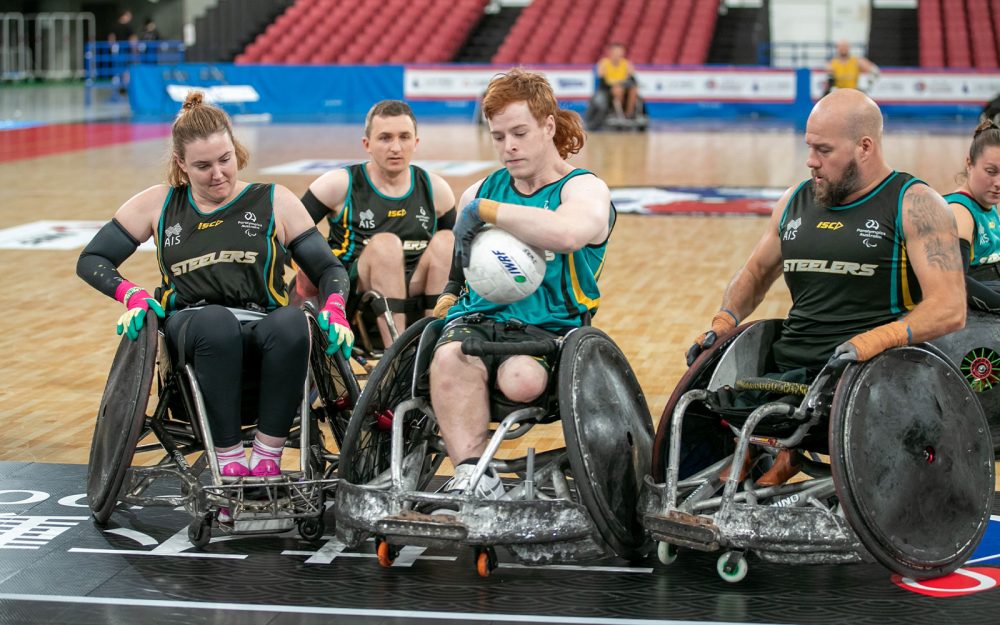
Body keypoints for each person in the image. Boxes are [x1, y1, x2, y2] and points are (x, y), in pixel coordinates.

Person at [77, 92, 354, 520]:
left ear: (237, 151)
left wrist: (334, 308)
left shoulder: (274, 200)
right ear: (181, 163)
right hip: (193, 328)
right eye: (203, 166)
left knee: (294, 322)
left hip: (262, 327)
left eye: (225, 159)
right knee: (215, 322)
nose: (218, 174)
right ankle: (228, 464)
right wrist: (131, 294)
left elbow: (330, 270)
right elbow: (92, 260)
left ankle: (264, 460)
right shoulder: (158, 203)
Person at [686, 88, 965, 486]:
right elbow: (754, 274)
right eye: (809, 147)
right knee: (700, 395)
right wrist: (724, 318)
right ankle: (776, 450)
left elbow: (950, 307)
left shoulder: (915, 203)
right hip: (786, 372)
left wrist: (874, 341)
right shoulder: (794, 201)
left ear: (864, 147)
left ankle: (786, 451)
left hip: (863, 375)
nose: (810, 161)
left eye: (824, 150)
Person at [428, 69, 614, 499]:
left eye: (519, 132)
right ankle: (475, 476)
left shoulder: (584, 188)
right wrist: (449, 293)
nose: (508, 147)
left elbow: (568, 234)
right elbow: (462, 256)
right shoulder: (480, 189)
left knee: (520, 382)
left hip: (547, 330)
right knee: (449, 358)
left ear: (548, 126)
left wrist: (490, 210)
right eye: (498, 136)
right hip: (478, 320)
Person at [292, 100, 456, 347]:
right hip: (356, 296)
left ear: (416, 142)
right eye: (385, 138)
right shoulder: (337, 184)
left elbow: (460, 258)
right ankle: (397, 360)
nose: (396, 147)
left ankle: (438, 347)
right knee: (386, 245)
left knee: (448, 241)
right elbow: (285, 235)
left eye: (404, 137)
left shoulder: (436, 189)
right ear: (367, 144)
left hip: (416, 290)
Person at [946, 119, 1000, 312]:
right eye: (991, 171)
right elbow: (953, 278)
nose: (998, 183)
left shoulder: (987, 203)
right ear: (969, 163)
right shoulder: (961, 212)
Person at [596, 42, 638, 119]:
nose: (619, 54)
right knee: (618, 89)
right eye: (617, 52)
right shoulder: (604, 63)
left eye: (620, 52)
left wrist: (628, 75)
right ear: (611, 53)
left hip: (623, 86)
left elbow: (632, 79)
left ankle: (629, 113)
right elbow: (602, 80)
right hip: (608, 88)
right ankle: (618, 113)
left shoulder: (626, 63)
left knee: (633, 89)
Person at [108, 10, 137, 95]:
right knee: (126, 69)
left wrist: (111, 49)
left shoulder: (114, 26)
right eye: (129, 16)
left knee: (118, 69)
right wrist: (135, 51)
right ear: (124, 16)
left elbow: (111, 39)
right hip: (126, 51)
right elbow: (133, 40)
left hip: (117, 51)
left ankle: (119, 87)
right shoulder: (128, 27)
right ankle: (125, 86)